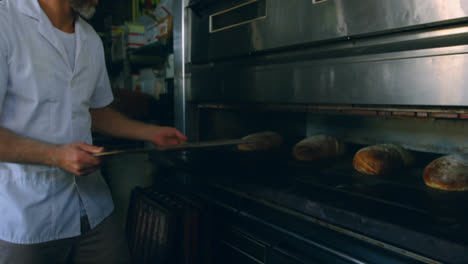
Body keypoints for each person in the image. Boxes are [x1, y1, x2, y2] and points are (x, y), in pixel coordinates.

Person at [0, 0, 187, 263]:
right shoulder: (5, 21)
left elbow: (95, 111)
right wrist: (55, 156)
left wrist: (150, 133)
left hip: (93, 207)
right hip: (26, 217)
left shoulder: (89, 38)